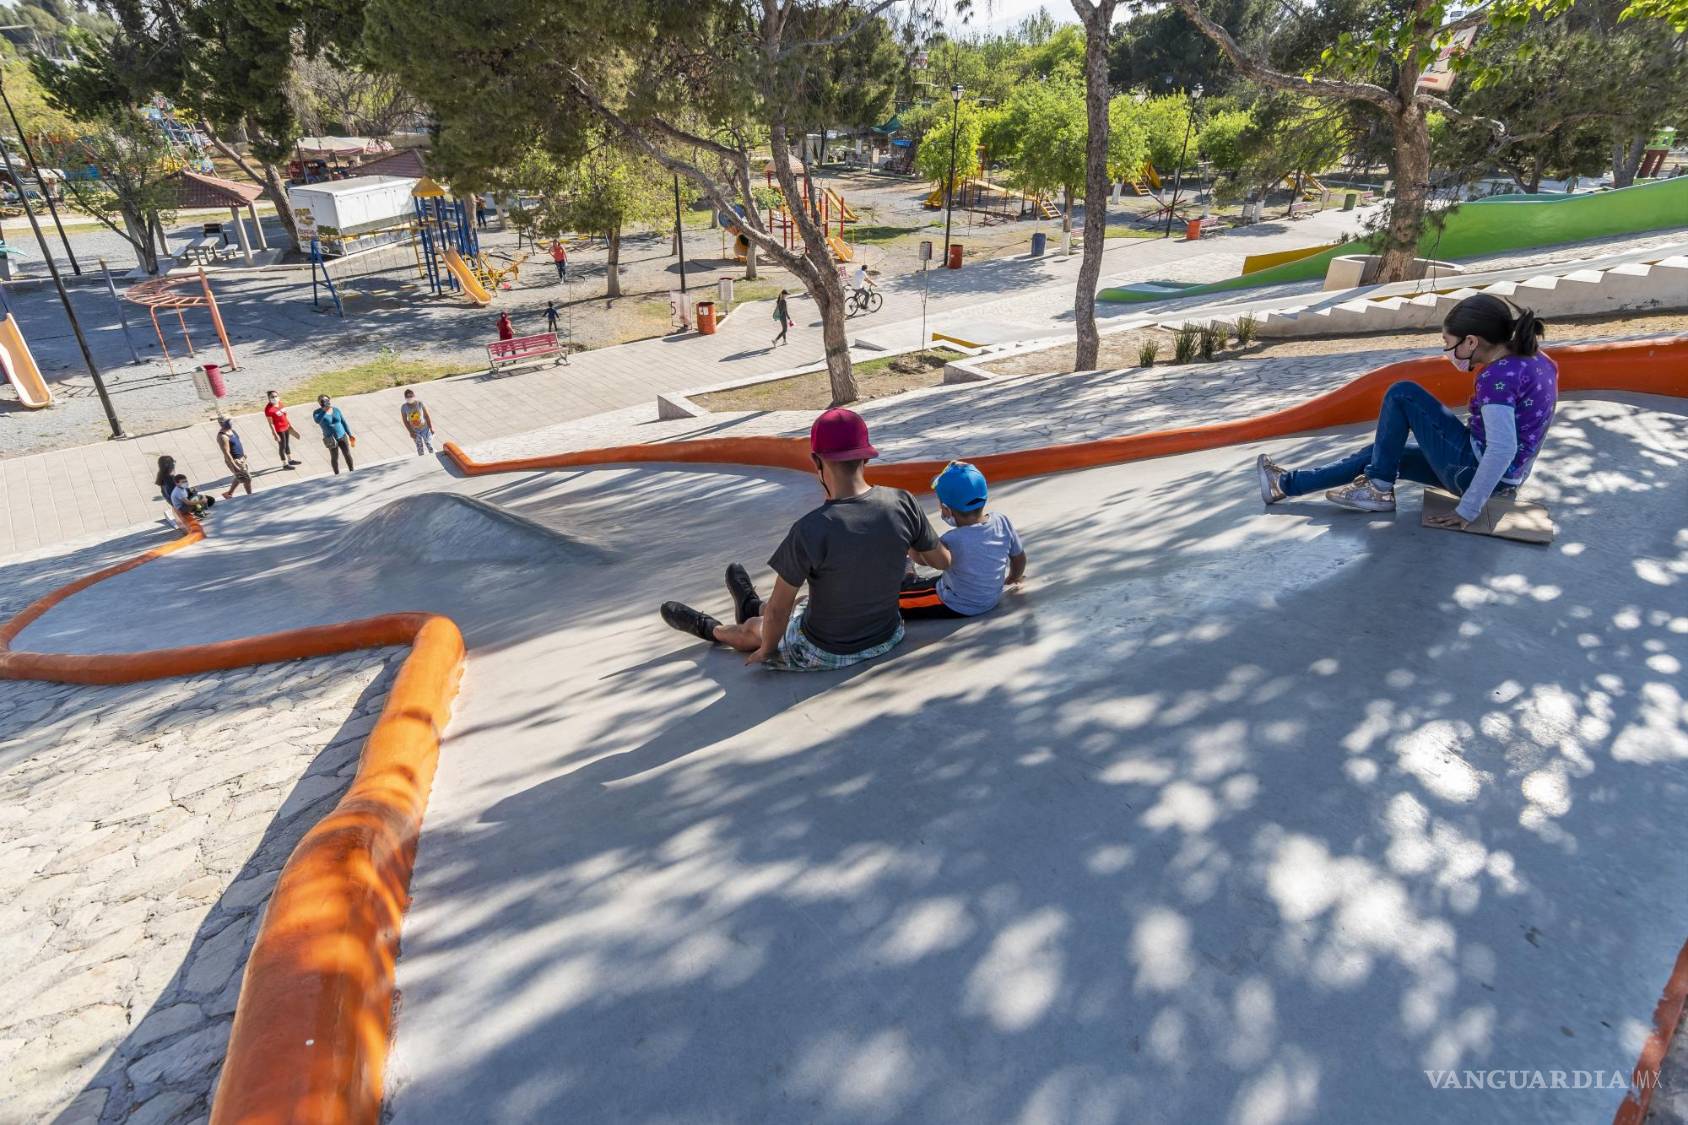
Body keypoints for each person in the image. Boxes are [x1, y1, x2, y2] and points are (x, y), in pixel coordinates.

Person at [660, 408, 951, 671]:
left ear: (816, 461)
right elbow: (942, 561)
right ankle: (749, 603)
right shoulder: (903, 502)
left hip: (828, 651)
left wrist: (768, 650)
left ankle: (711, 628)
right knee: (810, 599)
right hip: (888, 635)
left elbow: (778, 610)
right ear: (865, 455)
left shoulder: (811, 529)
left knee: (757, 627)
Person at [1256, 293, 1557, 528]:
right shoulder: (1539, 361)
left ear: (1471, 341)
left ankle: (1378, 489)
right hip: (1502, 481)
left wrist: (1468, 510)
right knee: (1379, 454)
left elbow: (1502, 449)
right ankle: (1283, 485)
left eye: (1448, 344)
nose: (1447, 353)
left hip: (1474, 472)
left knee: (1403, 393)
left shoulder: (1497, 377)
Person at [898, 461, 1027, 619]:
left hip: (956, 603)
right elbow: (1019, 558)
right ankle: (908, 576)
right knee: (927, 583)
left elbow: (922, 559)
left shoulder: (951, 540)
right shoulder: (1002, 521)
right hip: (991, 598)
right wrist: (1014, 576)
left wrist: (910, 542)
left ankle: (906, 576)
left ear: (946, 510)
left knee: (894, 602)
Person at [312, 394, 356, 474]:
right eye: (323, 401)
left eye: (327, 400)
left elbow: (343, 422)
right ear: (319, 402)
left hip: (342, 436)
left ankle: (352, 470)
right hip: (330, 439)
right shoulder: (317, 412)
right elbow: (317, 421)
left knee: (347, 454)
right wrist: (324, 410)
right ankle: (336, 474)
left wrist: (350, 434)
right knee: (334, 457)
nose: (325, 402)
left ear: (329, 400)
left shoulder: (336, 410)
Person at [263, 390, 302, 468]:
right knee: (282, 446)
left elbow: (284, 416)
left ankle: (290, 460)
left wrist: (290, 425)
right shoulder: (268, 409)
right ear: (269, 398)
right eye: (272, 397)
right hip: (279, 429)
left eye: (276, 396)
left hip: (286, 426)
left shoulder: (280, 403)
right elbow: (270, 423)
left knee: (287, 444)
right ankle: (285, 464)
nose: (274, 398)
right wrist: (274, 434)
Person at [216, 418, 253, 499]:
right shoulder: (222, 436)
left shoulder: (232, 431)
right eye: (228, 421)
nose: (231, 423)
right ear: (222, 423)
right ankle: (251, 497)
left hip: (241, 458)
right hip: (235, 461)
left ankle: (229, 493)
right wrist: (234, 465)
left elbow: (237, 442)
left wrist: (243, 454)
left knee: (239, 476)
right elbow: (226, 452)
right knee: (247, 479)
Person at [400, 388, 435, 456]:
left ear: (414, 396)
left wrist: (431, 427)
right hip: (415, 430)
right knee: (419, 448)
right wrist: (411, 432)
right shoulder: (404, 407)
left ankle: (433, 456)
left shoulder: (420, 403)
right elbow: (405, 420)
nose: (409, 398)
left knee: (429, 444)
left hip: (424, 428)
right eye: (408, 397)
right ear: (405, 398)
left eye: (411, 396)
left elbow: (426, 415)